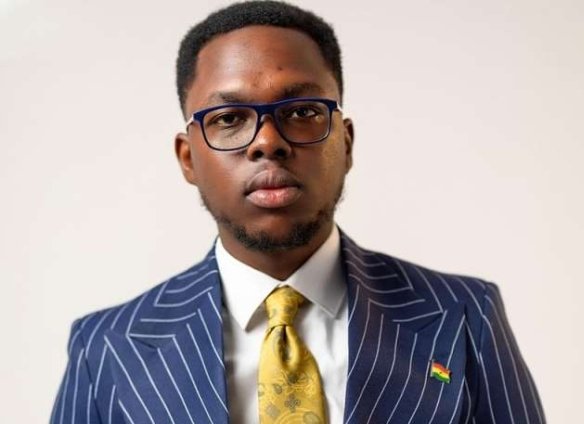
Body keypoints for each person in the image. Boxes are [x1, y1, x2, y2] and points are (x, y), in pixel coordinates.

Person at [50, 1, 545, 423]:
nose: (268, 142)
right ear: (188, 159)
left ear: (345, 143)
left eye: (302, 112)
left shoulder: (464, 314)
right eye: (229, 118)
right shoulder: (107, 347)